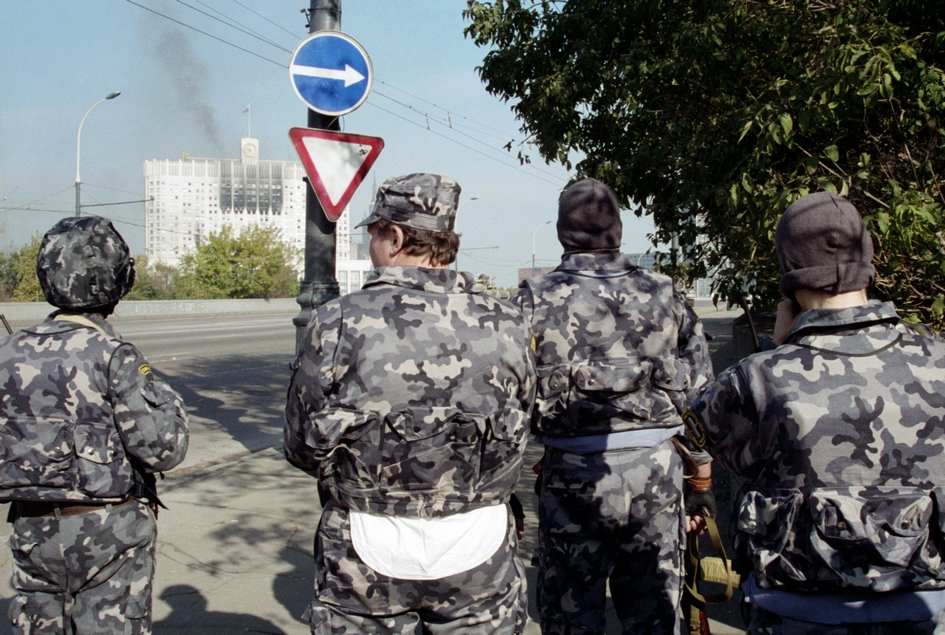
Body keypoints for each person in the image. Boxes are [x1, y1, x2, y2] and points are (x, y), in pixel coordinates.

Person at [284, 173, 537, 634]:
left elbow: (302, 446)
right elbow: (525, 419)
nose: (371, 247)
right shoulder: (509, 323)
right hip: (478, 548)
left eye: (373, 234)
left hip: (367, 551)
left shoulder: (339, 320)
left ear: (396, 237)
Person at [685, 191, 945, 634]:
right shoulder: (937, 358)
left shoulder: (757, 378)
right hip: (925, 611)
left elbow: (701, 441)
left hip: (796, 614)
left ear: (789, 271)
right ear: (867, 260)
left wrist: (778, 348)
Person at [512, 178, 715, 635]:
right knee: (655, 616)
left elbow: (509, 395)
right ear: (618, 230)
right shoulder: (665, 292)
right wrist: (701, 479)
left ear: (563, 234)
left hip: (570, 475)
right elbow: (702, 398)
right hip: (657, 474)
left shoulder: (533, 298)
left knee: (570, 617)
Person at [0, 216, 189, 634]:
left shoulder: (8, 351)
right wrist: (171, 402)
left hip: (32, 529)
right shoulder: (113, 353)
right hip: (108, 535)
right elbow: (162, 449)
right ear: (116, 281)